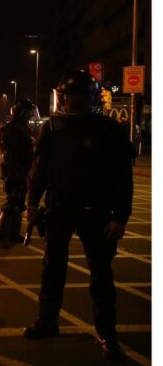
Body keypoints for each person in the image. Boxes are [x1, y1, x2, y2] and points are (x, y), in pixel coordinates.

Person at [24, 71, 135, 362]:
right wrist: (32, 204)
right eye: (68, 98)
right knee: (52, 269)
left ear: (91, 99)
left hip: (97, 211)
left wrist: (121, 217)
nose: (71, 103)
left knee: (101, 275)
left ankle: (107, 333)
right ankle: (47, 321)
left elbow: (123, 177)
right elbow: (40, 170)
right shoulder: (52, 128)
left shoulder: (108, 129)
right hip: (59, 208)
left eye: (78, 98)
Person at [0, 99, 39, 248]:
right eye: (29, 112)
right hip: (14, 171)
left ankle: (13, 233)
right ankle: (0, 235)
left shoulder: (23, 128)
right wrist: (16, 172)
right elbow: (11, 154)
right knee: (11, 203)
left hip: (24, 170)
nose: (31, 115)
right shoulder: (11, 129)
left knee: (19, 203)